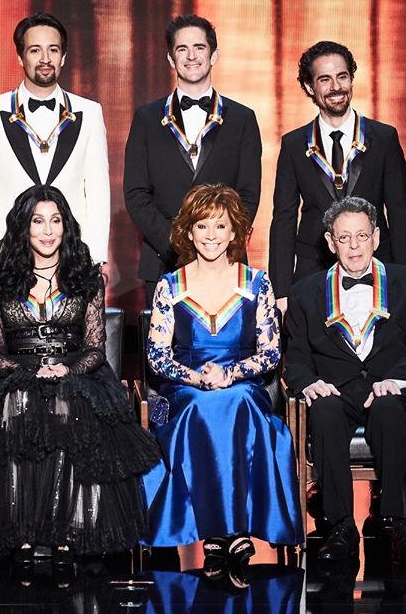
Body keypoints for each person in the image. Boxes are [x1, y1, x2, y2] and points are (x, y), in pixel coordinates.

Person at [0, 185, 159, 564]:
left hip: (76, 369)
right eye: (38, 221)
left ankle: (68, 531)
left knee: (71, 402)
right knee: (19, 401)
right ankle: (23, 530)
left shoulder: (88, 278)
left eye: (56, 221)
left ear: (66, 226)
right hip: (18, 372)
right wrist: (28, 371)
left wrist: (66, 368)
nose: (47, 231)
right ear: (23, 227)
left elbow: (95, 348)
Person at [142, 184, 303, 578]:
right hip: (184, 389)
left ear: (235, 232)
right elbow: (157, 356)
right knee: (202, 406)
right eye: (202, 225)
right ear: (188, 231)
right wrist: (196, 377)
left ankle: (229, 533)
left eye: (220, 225)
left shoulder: (257, 283)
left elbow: (270, 353)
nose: (211, 235)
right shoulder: (170, 285)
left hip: (243, 384)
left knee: (237, 401)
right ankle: (220, 534)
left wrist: (230, 374)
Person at [284, 196, 406, 564]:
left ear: (376, 238)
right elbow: (296, 358)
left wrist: (396, 380)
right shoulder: (305, 291)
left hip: (392, 389)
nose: (354, 247)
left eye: (361, 236)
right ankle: (340, 527)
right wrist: (309, 383)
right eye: (344, 238)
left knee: (388, 410)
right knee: (324, 412)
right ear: (330, 242)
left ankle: (401, 525)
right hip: (337, 389)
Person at [269, 41, 406, 314]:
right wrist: (282, 290)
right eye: (325, 79)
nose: (336, 87)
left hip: (376, 267)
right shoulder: (293, 144)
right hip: (313, 270)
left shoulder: (384, 138)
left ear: (351, 79)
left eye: (342, 76)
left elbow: (400, 214)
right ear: (309, 87)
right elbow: (284, 219)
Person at [124, 14, 262, 305]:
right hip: (163, 260)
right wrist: (177, 243)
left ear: (214, 55)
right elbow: (136, 193)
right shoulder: (146, 118)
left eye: (199, 47)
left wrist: (219, 240)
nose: (191, 56)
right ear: (170, 59)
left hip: (227, 262)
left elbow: (249, 193)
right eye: (182, 49)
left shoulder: (242, 119)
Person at [0, 13, 110, 291]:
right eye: (35, 50)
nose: (45, 58)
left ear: (63, 57)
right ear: (20, 57)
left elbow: (97, 191)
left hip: (72, 258)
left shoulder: (90, 112)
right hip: (7, 259)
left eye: (53, 50)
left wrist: (94, 258)